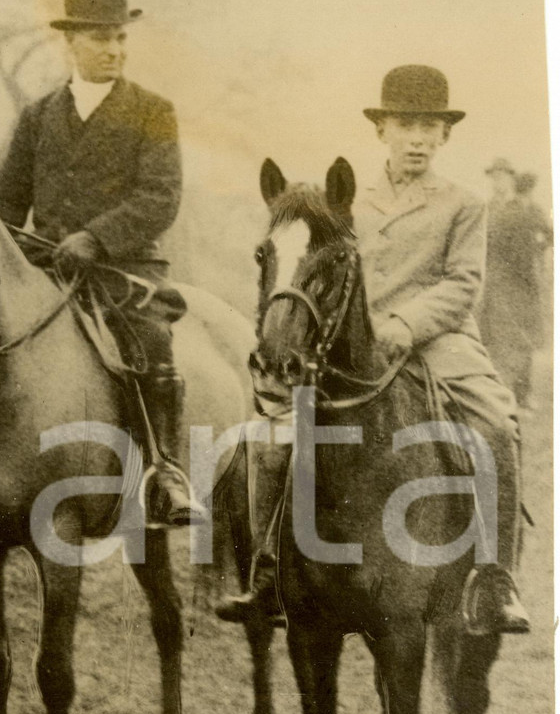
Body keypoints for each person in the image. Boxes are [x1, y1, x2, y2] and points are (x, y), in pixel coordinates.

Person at [217, 65, 529, 635]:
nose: (417, 138)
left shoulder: (464, 203)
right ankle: (268, 568)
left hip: (440, 342)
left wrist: (406, 324)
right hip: (349, 343)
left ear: (444, 136)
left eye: (429, 128)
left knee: (497, 426)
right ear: (382, 129)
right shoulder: (346, 199)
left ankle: (494, 576)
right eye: (405, 124)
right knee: (273, 428)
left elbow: (463, 285)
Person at [0, 0, 205, 527]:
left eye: (120, 39)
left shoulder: (153, 111)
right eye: (101, 39)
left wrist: (96, 237)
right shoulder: (37, 116)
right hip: (46, 266)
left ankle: (163, 471)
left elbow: (161, 197)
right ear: (71, 43)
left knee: (151, 339)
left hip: (124, 267)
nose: (114, 50)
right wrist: (11, 249)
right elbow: (7, 204)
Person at [478, 157, 547, 411]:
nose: (498, 181)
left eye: (502, 176)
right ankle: (501, 395)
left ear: (511, 178)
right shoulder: (487, 209)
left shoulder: (526, 207)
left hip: (522, 282)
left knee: (522, 338)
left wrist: (537, 254)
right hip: (495, 283)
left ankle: (524, 395)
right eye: (494, 177)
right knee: (495, 338)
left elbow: (546, 235)